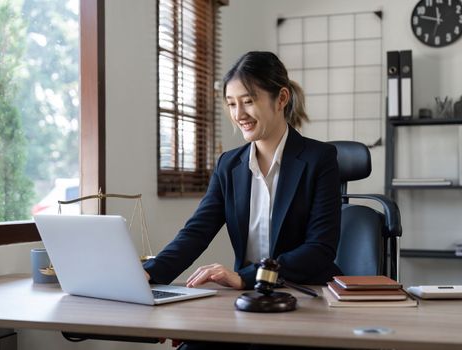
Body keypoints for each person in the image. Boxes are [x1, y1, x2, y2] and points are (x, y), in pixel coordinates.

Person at [143, 51, 342, 349]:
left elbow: (320, 249)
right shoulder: (229, 165)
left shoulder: (319, 159)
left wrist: (245, 277)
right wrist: (149, 275)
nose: (239, 114)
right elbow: (196, 232)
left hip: (302, 295)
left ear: (281, 98)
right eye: (232, 104)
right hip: (246, 299)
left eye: (248, 101)